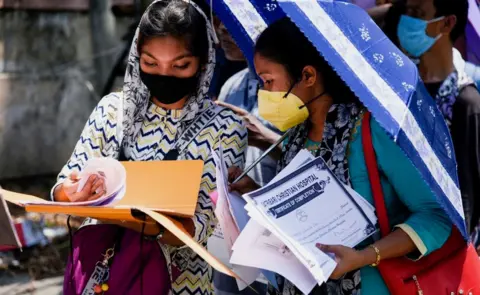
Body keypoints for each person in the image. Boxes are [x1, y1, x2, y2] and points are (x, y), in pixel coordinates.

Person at [228, 17, 452, 295]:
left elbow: (435, 216)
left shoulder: (371, 131)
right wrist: (255, 193)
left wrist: (365, 255)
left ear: (308, 76)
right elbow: (306, 219)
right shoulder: (296, 136)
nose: (264, 93)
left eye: (269, 81)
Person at [51, 0, 247, 294]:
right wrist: (73, 192)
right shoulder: (112, 111)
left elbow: (200, 226)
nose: (164, 75)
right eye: (150, 63)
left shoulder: (224, 126)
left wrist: (125, 214)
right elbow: (61, 190)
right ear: (136, 58)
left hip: (182, 284)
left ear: (203, 64)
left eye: (180, 66)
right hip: (103, 279)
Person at [395, 0, 480, 234]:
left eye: (417, 14)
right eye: (406, 11)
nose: (406, 21)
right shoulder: (401, 87)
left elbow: (469, 193)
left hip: (441, 240)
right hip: (399, 232)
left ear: (447, 23)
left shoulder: (464, 102)